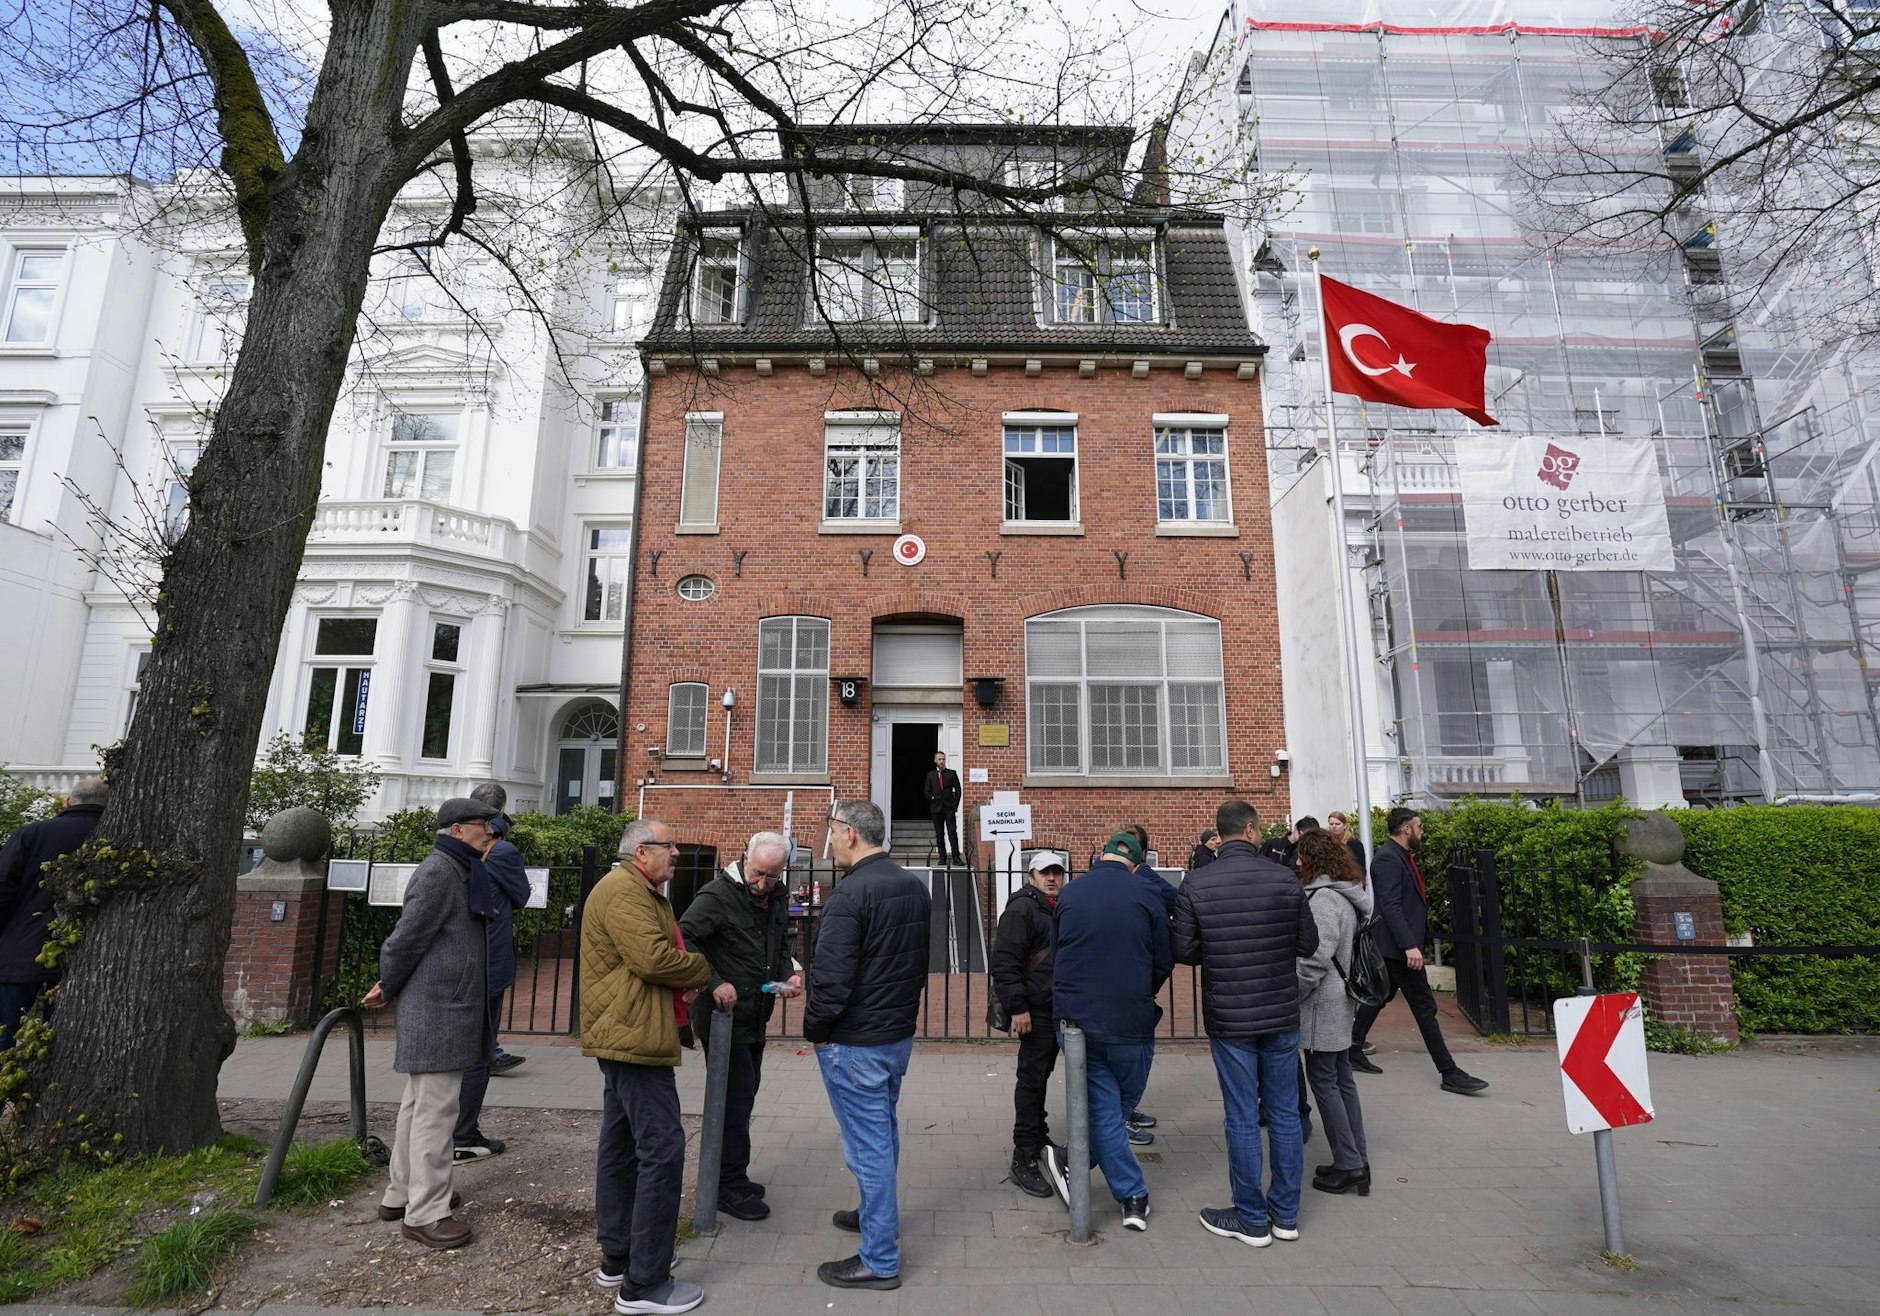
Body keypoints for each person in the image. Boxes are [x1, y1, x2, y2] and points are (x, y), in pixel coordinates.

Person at [1172, 800, 1318, 1248]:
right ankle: (1285, 1215)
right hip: (1279, 1009)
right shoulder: (1285, 878)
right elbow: (1308, 943)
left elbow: (1184, 950)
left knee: (1241, 1115)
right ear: (1251, 831)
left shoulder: (1197, 882)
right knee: (1285, 1114)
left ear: (1221, 834)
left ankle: (1252, 1217)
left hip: (1230, 1013)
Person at [580, 818, 712, 1315]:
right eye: (668, 845)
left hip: (627, 1031)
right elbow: (654, 960)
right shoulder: (624, 892)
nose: (676, 852)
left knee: (621, 1145)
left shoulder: (640, 890)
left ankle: (619, 1256)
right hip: (632, 1035)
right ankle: (646, 1283)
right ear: (641, 853)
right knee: (662, 1148)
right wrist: (702, 969)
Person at [362, 797, 500, 1251]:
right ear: (457, 830)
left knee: (419, 1105)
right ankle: (426, 1213)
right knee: (437, 1113)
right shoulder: (440, 872)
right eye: (482, 825)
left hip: (443, 1008)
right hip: (439, 1010)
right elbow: (404, 939)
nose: (489, 832)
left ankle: (402, 1194)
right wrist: (388, 983)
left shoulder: (458, 869)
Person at [806, 800, 932, 1291]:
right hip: (895, 1034)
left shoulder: (851, 894)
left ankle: (879, 1259)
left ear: (851, 834)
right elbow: (917, 965)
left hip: (855, 1041)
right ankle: (874, 1215)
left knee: (868, 1145)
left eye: (833, 831)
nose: (830, 840)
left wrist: (816, 1029)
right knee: (882, 1133)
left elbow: (831, 980)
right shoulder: (913, 886)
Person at [1042, 831, 1171, 1233]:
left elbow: (1058, 953)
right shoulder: (1147, 893)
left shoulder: (1071, 893)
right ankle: (1132, 1194)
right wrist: (1140, 989)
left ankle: (1069, 1157)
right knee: (1118, 1104)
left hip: (1077, 1020)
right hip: (1130, 1019)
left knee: (1106, 1112)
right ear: (1136, 863)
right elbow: (1164, 959)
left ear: (1100, 856)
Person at [677, 830, 802, 1222]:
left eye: (771, 876)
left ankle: (733, 1176)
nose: (762, 883)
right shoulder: (716, 896)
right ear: (745, 857)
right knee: (732, 1099)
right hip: (722, 1017)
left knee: (744, 1095)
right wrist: (713, 982)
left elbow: (777, 944)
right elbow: (683, 938)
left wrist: (787, 973)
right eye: (757, 873)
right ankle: (726, 1185)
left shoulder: (776, 896)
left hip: (754, 1013)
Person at [1347, 807, 1489, 1096]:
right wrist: (1409, 945)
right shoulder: (1387, 859)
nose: (1422, 832)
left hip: (1396, 948)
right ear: (1406, 829)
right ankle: (1448, 1072)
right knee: (1424, 1007)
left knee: (1379, 996)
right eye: (1419, 827)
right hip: (1398, 949)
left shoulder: (1400, 856)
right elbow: (1390, 906)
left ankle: (1352, 1046)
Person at [453, 782, 530, 1165]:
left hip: (457, 962)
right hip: (489, 960)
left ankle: (450, 1131)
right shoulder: (502, 851)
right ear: (499, 813)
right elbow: (522, 895)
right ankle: (463, 1136)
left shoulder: (454, 849)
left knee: (458, 1051)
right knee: (479, 1052)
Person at [0, 776, 107, 1049]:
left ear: (69, 801)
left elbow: (3, 888)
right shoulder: (113, 838)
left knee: (3, 1035)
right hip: (84, 959)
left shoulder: (33, 833)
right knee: (59, 1045)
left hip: (19, 953)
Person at [1295, 829, 1374, 1196]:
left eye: (1301, 856)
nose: (1297, 862)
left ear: (1313, 860)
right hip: (1339, 1000)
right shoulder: (1347, 894)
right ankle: (1357, 1158)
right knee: (1342, 1080)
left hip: (1321, 1005)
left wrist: (1293, 992)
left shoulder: (1324, 899)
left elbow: (1315, 959)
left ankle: (1348, 1163)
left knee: (1325, 1081)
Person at [991, 849, 1064, 1198]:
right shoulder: (1021, 909)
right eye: (1044, 872)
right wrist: (1018, 1007)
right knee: (1031, 1079)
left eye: (1056, 872)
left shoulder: (1057, 907)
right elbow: (1005, 962)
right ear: (1031, 876)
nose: (1051, 878)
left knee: (1041, 1075)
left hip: (1053, 1006)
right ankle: (1023, 1156)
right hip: (1034, 1009)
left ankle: (1037, 1135)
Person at [923, 751, 964, 865]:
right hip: (936, 808)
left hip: (949, 808)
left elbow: (958, 790)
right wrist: (932, 798)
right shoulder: (930, 775)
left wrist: (955, 805)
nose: (942, 761)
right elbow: (926, 792)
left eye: (943, 759)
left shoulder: (951, 773)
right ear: (935, 761)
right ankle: (942, 857)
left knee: (952, 832)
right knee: (939, 834)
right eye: (939, 759)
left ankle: (956, 857)